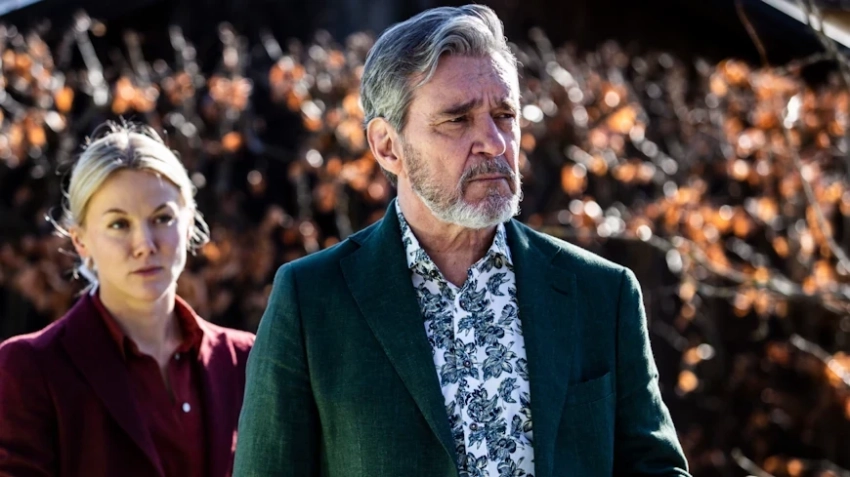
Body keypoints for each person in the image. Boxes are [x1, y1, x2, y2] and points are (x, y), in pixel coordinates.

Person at [233, 5, 690, 477]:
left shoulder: (602, 293)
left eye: (504, 115)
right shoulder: (311, 302)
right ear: (387, 146)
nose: (495, 142)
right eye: (457, 120)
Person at [0, 120, 255, 477]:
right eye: (119, 224)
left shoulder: (246, 359)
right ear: (81, 241)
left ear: (189, 223)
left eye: (162, 218)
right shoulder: (29, 368)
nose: (145, 245)